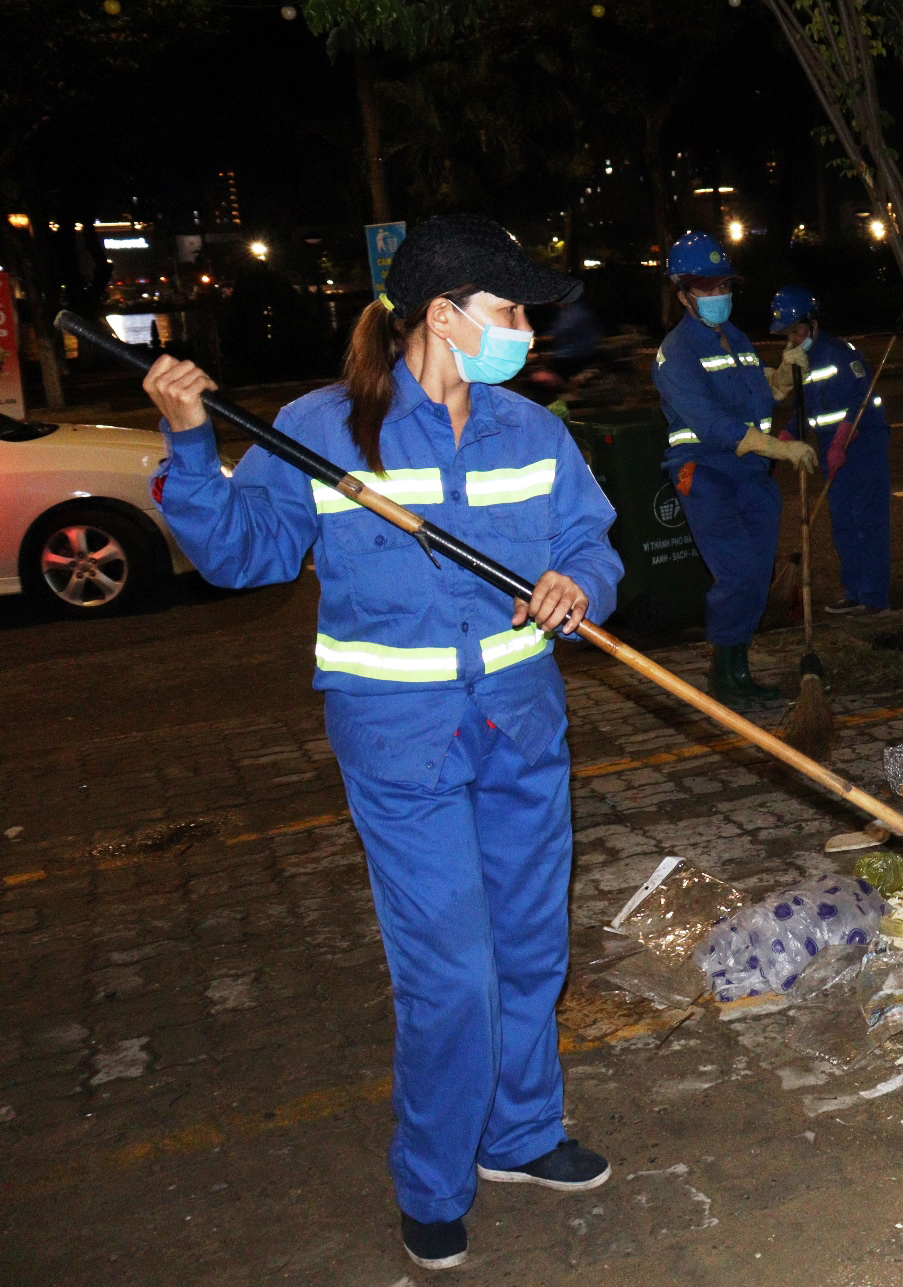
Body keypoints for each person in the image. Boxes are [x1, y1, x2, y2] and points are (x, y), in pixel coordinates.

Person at [141, 214, 624, 1271]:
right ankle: (434, 1179)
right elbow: (243, 556)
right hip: (402, 742)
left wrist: (579, 580)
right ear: (443, 316)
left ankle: (521, 1134)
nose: (524, 331)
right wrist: (188, 444)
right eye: (508, 310)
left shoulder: (531, 431)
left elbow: (590, 536)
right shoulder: (322, 428)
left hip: (520, 728)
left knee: (532, 948)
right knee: (451, 972)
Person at [651, 231, 817, 705]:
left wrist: (782, 376)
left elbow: (756, 390)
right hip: (705, 474)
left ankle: (738, 668)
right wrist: (781, 450)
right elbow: (714, 424)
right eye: (705, 287)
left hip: (751, 478)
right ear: (682, 293)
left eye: (723, 284)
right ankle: (725, 675)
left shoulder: (736, 336)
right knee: (739, 574)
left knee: (756, 577)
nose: (717, 294)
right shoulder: (675, 354)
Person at [766, 285, 892, 615]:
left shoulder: (840, 352)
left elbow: (860, 400)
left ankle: (875, 597)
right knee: (843, 522)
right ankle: (854, 592)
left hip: (863, 445)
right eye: (787, 333)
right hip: (832, 449)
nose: (793, 338)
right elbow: (805, 409)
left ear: (814, 323)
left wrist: (841, 442)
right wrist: (781, 441)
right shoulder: (800, 361)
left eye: (797, 330)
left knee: (868, 521)